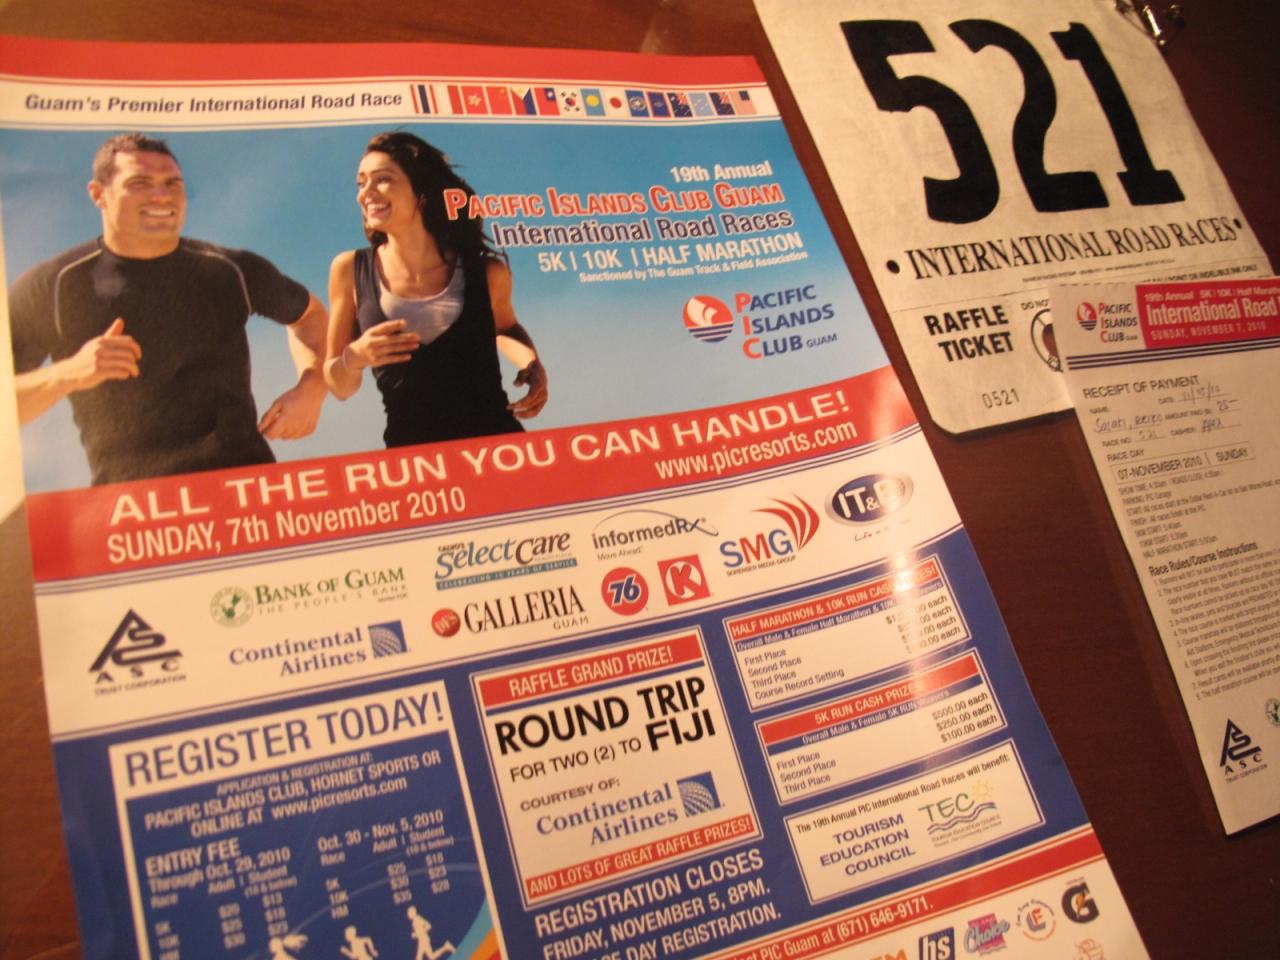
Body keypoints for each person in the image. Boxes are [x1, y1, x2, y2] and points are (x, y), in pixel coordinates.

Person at [8, 132, 328, 485]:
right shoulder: (53, 285)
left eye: (172, 184)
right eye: (140, 183)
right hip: (133, 504)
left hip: (247, 491)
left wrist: (312, 386)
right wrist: (67, 374)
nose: (161, 195)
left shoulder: (231, 269)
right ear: (99, 194)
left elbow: (310, 317)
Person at [324, 131, 546, 447]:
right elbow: (339, 386)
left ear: (421, 191)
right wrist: (354, 357)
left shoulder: (486, 272)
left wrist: (532, 365)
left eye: (382, 179)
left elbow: (504, 328)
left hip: (499, 449)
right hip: (415, 461)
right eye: (361, 183)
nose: (365, 194)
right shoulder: (349, 269)